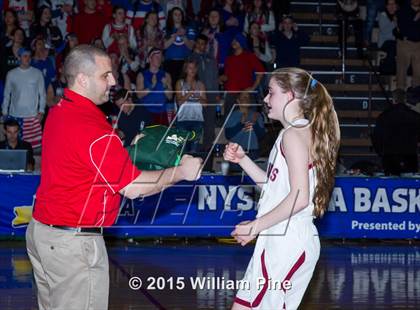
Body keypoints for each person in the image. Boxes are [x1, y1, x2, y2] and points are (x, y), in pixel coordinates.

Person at [25, 44, 202, 310]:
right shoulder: (93, 127)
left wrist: (129, 150)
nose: (114, 81)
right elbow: (133, 188)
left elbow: (87, 163)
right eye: (105, 75)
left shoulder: (60, 111)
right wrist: (181, 172)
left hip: (44, 234)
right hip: (74, 244)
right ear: (83, 80)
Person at [224, 67, 340, 309]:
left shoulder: (293, 135)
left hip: (287, 240)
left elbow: (299, 198)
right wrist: (243, 160)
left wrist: (255, 226)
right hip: (283, 238)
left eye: (271, 92)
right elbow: (276, 188)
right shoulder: (296, 132)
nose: (266, 99)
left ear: (289, 96)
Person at [2, 47, 46, 149]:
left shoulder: (37, 73)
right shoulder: (11, 74)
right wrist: (4, 112)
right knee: (14, 147)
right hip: (14, 116)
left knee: (33, 149)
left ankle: (31, 165)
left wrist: (41, 111)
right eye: (25, 56)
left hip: (32, 117)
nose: (28, 58)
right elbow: (7, 94)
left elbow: (42, 94)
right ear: (19, 57)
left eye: (29, 56)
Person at [372, 91, 420, 175]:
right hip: (410, 157)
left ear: (393, 100)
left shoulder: (383, 117)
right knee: (409, 185)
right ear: (405, 100)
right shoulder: (416, 116)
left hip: (389, 158)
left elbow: (377, 138)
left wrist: (381, 153)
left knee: (390, 185)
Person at [175, 58, 207, 153]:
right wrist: (189, 93)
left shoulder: (200, 84)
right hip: (182, 121)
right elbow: (179, 102)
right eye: (190, 68)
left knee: (194, 150)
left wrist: (198, 97)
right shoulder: (179, 83)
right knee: (182, 151)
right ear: (185, 69)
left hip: (197, 121)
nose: (192, 70)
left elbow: (205, 104)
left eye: (194, 68)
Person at [136, 47, 172, 125]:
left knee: (162, 136)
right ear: (149, 59)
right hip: (146, 112)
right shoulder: (142, 75)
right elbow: (139, 95)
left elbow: (170, 97)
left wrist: (165, 86)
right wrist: (151, 86)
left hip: (161, 113)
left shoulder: (166, 75)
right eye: (157, 57)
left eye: (160, 57)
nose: (159, 59)